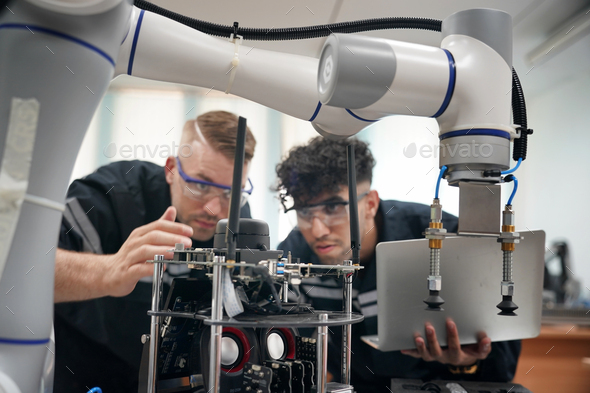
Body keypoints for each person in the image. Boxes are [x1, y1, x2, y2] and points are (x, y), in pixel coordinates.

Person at [275, 137, 521, 393]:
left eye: (334, 206)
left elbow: (504, 358)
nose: (317, 230)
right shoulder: (295, 255)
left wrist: (467, 363)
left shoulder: (441, 236)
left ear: (370, 203)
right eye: (304, 211)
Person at [54, 110, 256, 392]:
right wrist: (109, 271)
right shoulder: (110, 196)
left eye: (230, 193)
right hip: (86, 374)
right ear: (171, 169)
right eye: (200, 185)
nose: (215, 208)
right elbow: (23, 271)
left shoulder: (235, 218)